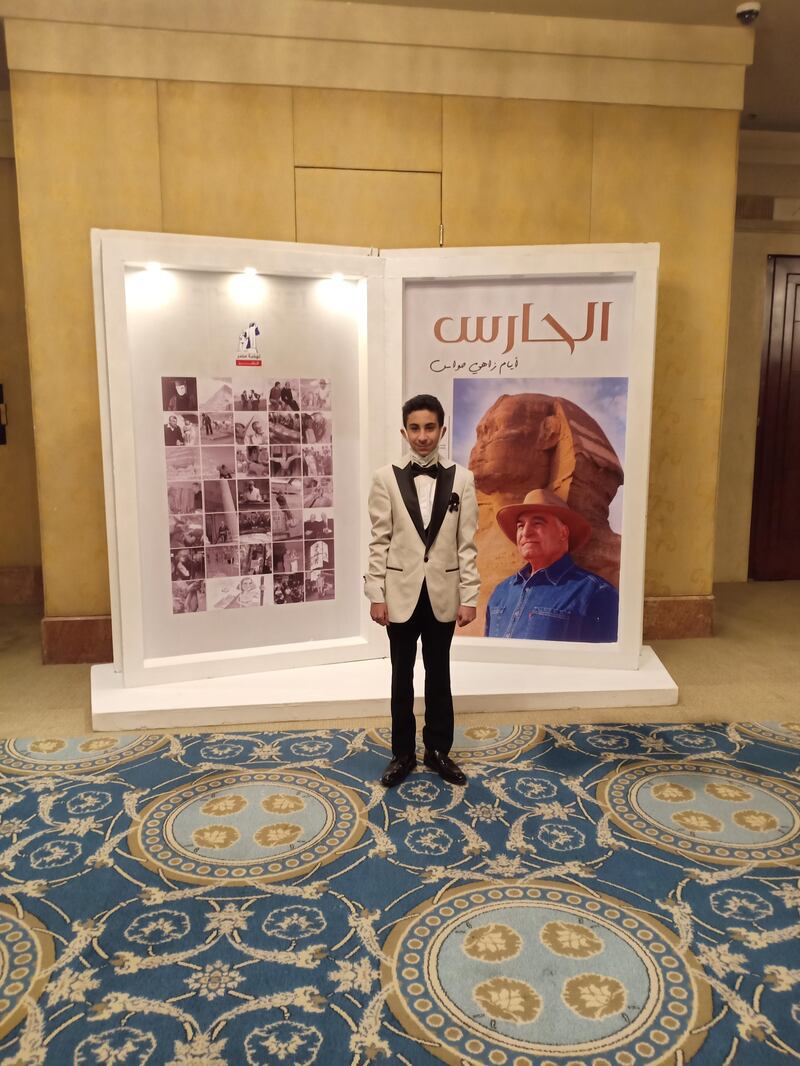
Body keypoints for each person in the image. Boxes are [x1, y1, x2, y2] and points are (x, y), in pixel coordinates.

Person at [365, 394, 479, 789]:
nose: (423, 435)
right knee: (401, 676)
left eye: (430, 427)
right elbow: (379, 540)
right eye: (415, 428)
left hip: (444, 592)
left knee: (439, 674)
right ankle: (401, 754)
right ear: (404, 431)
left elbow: (467, 544)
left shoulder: (462, 480)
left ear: (442, 430)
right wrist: (375, 593)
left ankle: (437, 750)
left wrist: (470, 596)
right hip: (400, 592)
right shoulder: (385, 478)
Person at [485, 488, 619, 642]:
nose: (526, 532)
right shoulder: (501, 592)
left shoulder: (596, 593)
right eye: (520, 526)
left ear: (563, 533)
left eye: (537, 523)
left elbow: (605, 663)